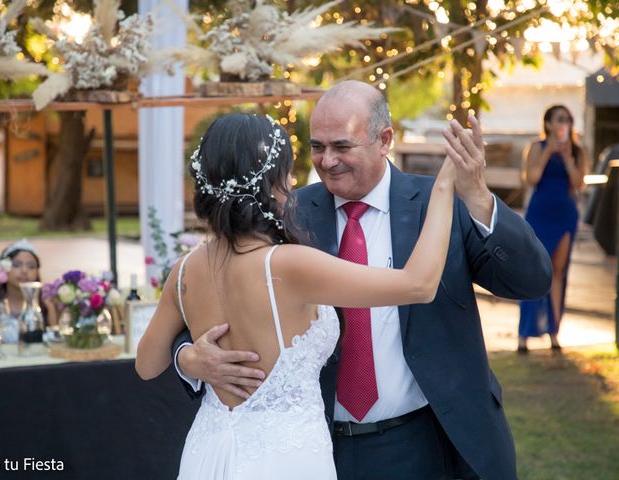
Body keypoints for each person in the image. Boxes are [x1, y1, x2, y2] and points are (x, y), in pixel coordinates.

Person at [172, 81, 552, 480]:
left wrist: (477, 197)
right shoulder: (285, 213)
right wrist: (188, 358)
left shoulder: (439, 203)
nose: (327, 160)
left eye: (342, 146)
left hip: (428, 440)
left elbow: (531, 280)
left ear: (384, 139)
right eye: (317, 147)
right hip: (315, 449)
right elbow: (209, 295)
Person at [136, 112, 460, 479]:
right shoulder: (288, 266)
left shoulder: (183, 270)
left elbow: (146, 365)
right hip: (283, 458)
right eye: (286, 172)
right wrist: (445, 188)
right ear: (272, 183)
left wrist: (189, 358)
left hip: (207, 450)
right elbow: (418, 285)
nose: (291, 182)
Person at [519, 105, 589, 353]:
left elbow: (579, 183)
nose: (564, 123)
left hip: (564, 215)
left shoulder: (578, 150)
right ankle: (524, 335)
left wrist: (568, 157)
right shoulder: (535, 148)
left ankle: (554, 332)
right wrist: (549, 149)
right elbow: (531, 178)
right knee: (534, 270)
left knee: (558, 273)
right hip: (539, 214)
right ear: (548, 123)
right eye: (559, 119)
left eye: (567, 119)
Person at [0, 239, 57, 343]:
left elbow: (54, 341)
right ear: (4, 268)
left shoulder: (45, 304)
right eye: (16, 265)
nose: (24, 271)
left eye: (31, 266)